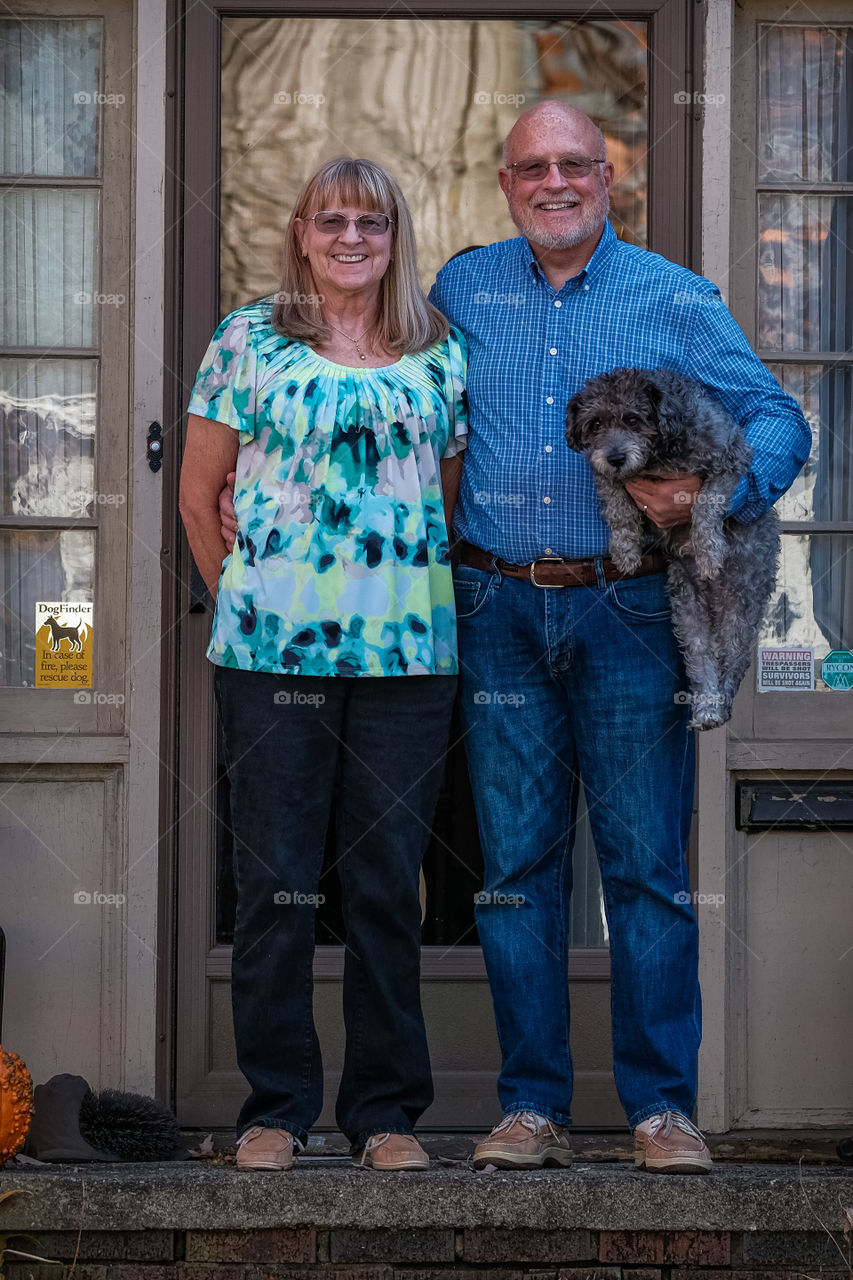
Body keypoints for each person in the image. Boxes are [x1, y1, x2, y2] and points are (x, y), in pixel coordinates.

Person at [430, 101, 811, 1174]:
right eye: (531, 167)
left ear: (608, 177)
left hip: (630, 610)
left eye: (574, 164)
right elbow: (390, 392)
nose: (554, 181)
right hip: (496, 606)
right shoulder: (461, 289)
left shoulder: (674, 297)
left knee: (643, 865)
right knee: (514, 867)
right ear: (505, 183)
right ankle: (531, 1108)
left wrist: (714, 496)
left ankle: (659, 1109)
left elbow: (779, 416)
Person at [180, 157, 467, 1173]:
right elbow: (197, 493)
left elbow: (436, 497)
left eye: (372, 221)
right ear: (302, 234)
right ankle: (277, 1108)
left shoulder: (438, 351)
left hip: (407, 659)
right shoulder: (248, 341)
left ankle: (385, 1112)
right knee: (278, 885)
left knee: (387, 886)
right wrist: (254, 600)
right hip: (273, 659)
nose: (352, 236)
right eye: (331, 219)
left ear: (395, 236)